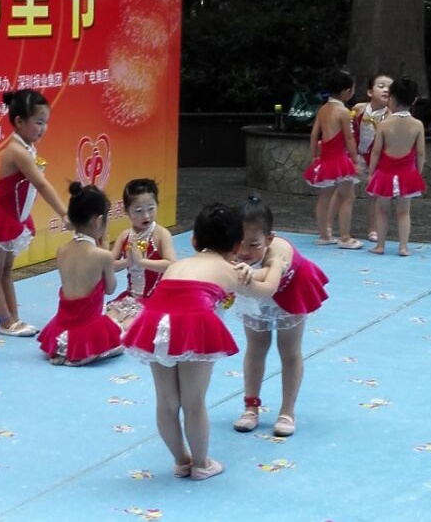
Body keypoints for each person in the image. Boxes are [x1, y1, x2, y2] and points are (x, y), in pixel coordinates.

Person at [122, 204, 286, 481]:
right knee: (193, 401)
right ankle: (201, 464)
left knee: (166, 401)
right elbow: (266, 289)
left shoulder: (178, 265)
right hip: (193, 322)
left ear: (194, 240)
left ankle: (180, 461)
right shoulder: (229, 270)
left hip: (154, 320)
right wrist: (277, 264)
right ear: (237, 246)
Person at [0, 89, 69, 336]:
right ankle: (5, 322)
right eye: (38, 122)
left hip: (15, 219)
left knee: (5, 273)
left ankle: (14, 318)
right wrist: (64, 213)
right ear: (20, 121)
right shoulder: (17, 151)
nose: (43, 128)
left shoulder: (28, 147)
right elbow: (41, 185)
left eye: (46, 122)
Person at [230, 196, 329, 438]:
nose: (244, 251)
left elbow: (267, 278)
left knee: (289, 350)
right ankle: (251, 407)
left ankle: (287, 411)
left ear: (269, 238)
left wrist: (243, 272)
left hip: (291, 289)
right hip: (256, 291)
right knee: (256, 347)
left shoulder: (279, 251)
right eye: (238, 243)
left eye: (253, 244)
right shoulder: (234, 252)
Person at [37, 183, 123, 366]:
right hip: (88, 324)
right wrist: (105, 250)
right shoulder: (102, 255)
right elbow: (110, 289)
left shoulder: (62, 250)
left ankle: (65, 348)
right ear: (99, 221)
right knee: (120, 342)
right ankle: (87, 351)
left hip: (62, 324)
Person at [303, 70, 363, 249]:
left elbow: (314, 134)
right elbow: (349, 138)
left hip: (325, 159)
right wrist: (355, 160)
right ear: (346, 91)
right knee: (348, 197)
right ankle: (345, 237)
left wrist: (314, 156)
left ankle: (324, 235)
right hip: (340, 160)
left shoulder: (323, 109)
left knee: (324, 197)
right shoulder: (343, 111)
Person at [366, 78, 427, 256]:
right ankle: (403, 247)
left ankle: (380, 245)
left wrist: (371, 173)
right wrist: (418, 173)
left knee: (382, 210)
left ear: (391, 98)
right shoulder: (417, 125)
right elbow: (420, 153)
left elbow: (376, 152)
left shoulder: (384, 124)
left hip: (385, 173)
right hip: (407, 174)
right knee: (404, 212)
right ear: (414, 100)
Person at [105, 178, 177, 328]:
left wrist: (142, 262)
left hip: (156, 299)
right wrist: (127, 262)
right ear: (126, 211)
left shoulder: (161, 234)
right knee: (108, 322)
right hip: (130, 297)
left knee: (128, 327)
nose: (146, 216)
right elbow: (109, 265)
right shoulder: (125, 236)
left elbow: (171, 264)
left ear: (157, 205)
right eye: (138, 211)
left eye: (151, 208)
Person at [352, 74, 392, 240]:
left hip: (376, 158)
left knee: (374, 195)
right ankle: (331, 226)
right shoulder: (359, 108)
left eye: (389, 87)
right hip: (356, 154)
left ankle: (373, 229)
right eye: (381, 86)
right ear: (370, 92)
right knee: (343, 190)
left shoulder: (390, 115)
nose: (386, 89)